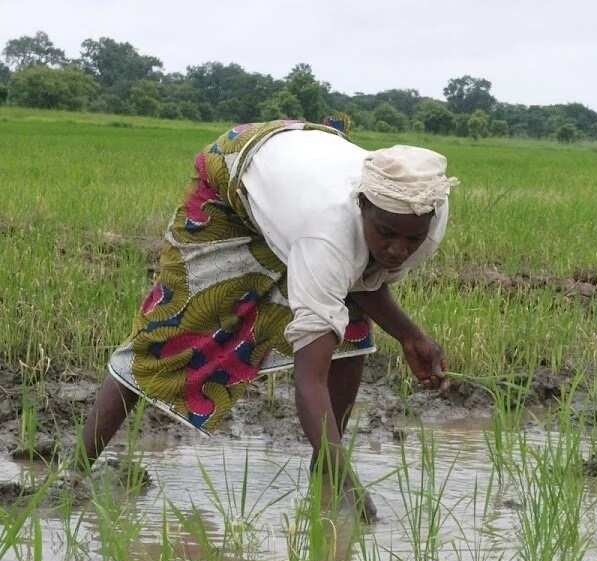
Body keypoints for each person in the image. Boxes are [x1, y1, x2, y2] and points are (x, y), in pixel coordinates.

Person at [79, 119, 457, 518]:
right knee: (168, 335)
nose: (398, 250)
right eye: (386, 233)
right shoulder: (326, 234)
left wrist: (410, 336)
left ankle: (325, 475)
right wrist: (352, 489)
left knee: (350, 326)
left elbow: (362, 277)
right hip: (238, 175)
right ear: (361, 204)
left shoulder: (425, 206)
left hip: (302, 182)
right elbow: (310, 379)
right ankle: (74, 472)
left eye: (411, 239)